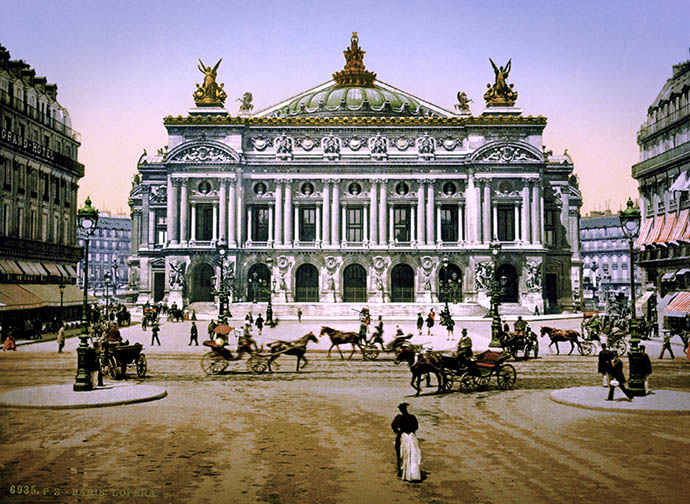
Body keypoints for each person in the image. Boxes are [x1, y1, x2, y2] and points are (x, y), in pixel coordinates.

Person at [391, 403, 421, 482]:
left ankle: (401, 471)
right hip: (411, 436)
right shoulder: (412, 417)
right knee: (413, 454)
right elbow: (416, 427)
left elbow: (393, 426)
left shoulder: (399, 417)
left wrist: (398, 431)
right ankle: (413, 472)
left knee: (401, 453)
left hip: (403, 436)